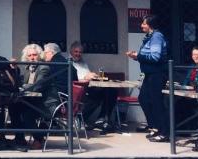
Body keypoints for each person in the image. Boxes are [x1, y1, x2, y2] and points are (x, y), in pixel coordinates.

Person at [126, 15, 169, 143]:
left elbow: (155, 57)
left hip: (157, 74)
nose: (141, 25)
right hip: (150, 74)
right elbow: (147, 56)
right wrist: (136, 57)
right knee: (144, 99)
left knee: (156, 102)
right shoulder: (150, 37)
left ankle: (164, 132)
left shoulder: (157, 36)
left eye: (144, 24)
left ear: (150, 25)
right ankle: (155, 127)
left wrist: (137, 56)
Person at [70, 41, 117, 133]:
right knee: (98, 96)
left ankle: (102, 118)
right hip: (78, 90)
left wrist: (93, 76)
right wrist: (85, 77)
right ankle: (97, 118)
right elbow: (72, 78)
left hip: (89, 87)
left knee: (112, 91)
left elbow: (87, 74)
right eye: (76, 52)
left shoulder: (83, 63)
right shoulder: (69, 62)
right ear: (71, 52)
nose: (78, 54)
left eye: (80, 52)